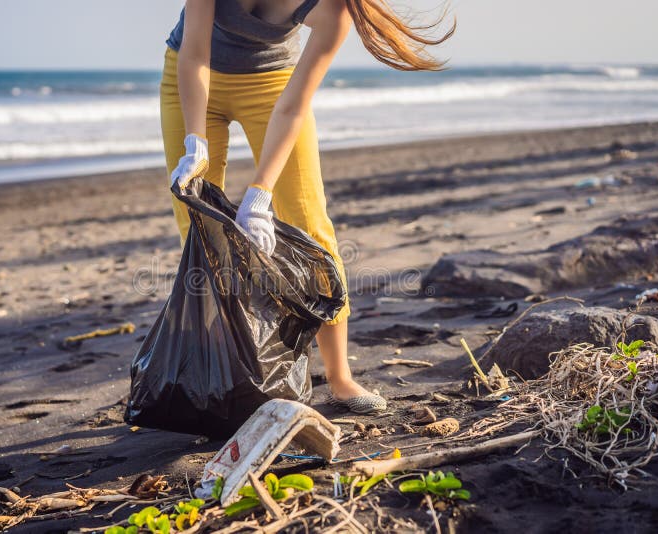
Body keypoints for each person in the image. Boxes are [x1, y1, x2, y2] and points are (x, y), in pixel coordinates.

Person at [161, 0, 453, 414]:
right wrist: (196, 143)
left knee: (310, 223)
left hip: (272, 85)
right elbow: (194, 54)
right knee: (199, 231)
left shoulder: (333, 12)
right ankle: (224, 375)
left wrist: (260, 192)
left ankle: (340, 377)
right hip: (190, 78)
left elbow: (292, 106)